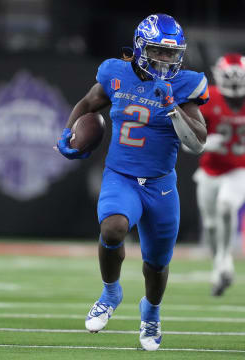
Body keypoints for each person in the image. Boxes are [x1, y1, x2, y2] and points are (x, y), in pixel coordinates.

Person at [56, 14, 208, 351]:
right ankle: (111, 292)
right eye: (159, 51)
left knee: (156, 265)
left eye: (172, 53)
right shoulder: (115, 73)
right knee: (112, 228)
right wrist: (68, 130)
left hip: (161, 186)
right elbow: (88, 102)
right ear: (141, 48)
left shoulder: (185, 84)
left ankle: (150, 315)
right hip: (121, 176)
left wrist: (173, 108)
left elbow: (198, 142)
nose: (167, 59)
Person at [191, 53, 245, 296]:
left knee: (226, 207)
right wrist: (204, 143)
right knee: (211, 225)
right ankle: (218, 266)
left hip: (239, 168)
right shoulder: (208, 96)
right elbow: (186, 140)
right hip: (210, 169)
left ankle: (225, 259)